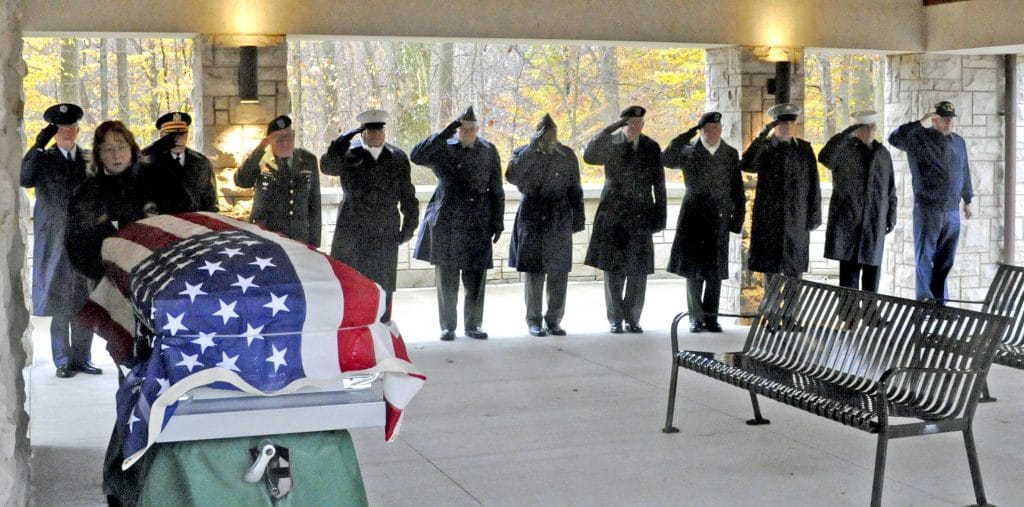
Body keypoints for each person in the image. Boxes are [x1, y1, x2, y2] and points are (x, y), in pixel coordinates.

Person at [411, 106, 504, 341]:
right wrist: (443, 134)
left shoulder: (488, 150)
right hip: (448, 218)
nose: (468, 132)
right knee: (447, 278)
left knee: (476, 277)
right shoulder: (442, 147)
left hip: (477, 218)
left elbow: (496, 187)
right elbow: (416, 156)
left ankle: (473, 325)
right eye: (463, 129)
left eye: (472, 129)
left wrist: (498, 220)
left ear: (478, 129)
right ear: (457, 129)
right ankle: (448, 326)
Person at [21, 103, 99, 378]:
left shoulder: (90, 159)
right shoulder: (43, 158)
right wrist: (37, 146)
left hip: (84, 240)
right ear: (54, 133)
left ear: (77, 130)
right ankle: (63, 360)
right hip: (54, 240)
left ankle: (83, 358)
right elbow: (24, 178)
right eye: (61, 128)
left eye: (70, 128)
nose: (66, 132)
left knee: (83, 301)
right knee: (59, 302)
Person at [321, 109, 419, 322]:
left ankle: (382, 324)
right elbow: (327, 167)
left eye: (378, 131)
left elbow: (407, 193)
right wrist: (343, 140)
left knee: (383, 280)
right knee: (353, 278)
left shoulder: (397, 156)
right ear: (362, 133)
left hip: (384, 226)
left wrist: (410, 225)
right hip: (352, 226)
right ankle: (354, 323)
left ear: (384, 133)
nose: (374, 136)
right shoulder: (348, 154)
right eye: (369, 132)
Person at [583, 105, 666, 334]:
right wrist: (608, 130)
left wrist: (660, 216)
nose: (635, 127)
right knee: (614, 268)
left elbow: (659, 183)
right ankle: (615, 318)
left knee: (638, 269)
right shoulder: (611, 142)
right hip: (614, 212)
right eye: (630, 123)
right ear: (623, 124)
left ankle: (633, 318)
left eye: (639, 124)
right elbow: (589, 156)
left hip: (640, 212)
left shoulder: (651, 146)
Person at [663, 111, 744, 333]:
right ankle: (695, 318)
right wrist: (688, 133)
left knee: (715, 271)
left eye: (717, 128)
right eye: (708, 129)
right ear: (701, 131)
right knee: (694, 270)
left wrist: (736, 221)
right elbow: (666, 159)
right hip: (694, 217)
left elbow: (737, 188)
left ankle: (711, 317)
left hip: (718, 218)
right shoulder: (689, 151)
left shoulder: (729, 153)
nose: (713, 132)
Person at [506, 114, 585, 337]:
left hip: (559, 216)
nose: (551, 137)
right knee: (534, 272)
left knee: (558, 271)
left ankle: (554, 319)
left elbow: (575, 188)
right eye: (545, 134)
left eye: (553, 133)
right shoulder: (524, 153)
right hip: (533, 215)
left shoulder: (566, 154)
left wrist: (577, 217)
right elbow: (512, 176)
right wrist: (531, 149)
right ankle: (534, 320)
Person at [888, 101, 973, 302]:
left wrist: (968, 200)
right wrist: (920, 122)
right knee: (925, 257)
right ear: (934, 119)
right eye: (944, 119)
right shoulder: (918, 138)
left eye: (951, 119)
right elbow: (894, 138)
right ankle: (925, 301)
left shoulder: (958, 142)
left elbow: (964, 171)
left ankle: (940, 302)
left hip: (952, 210)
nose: (948, 123)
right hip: (928, 209)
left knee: (946, 259)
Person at [66, 121, 159, 283]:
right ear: (99, 154)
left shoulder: (154, 184)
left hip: (151, 277)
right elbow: (76, 245)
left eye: (122, 147)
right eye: (109, 149)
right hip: (104, 281)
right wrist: (105, 275)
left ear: (132, 149)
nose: (116, 155)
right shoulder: (86, 193)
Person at [741, 103, 822, 283]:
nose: (787, 127)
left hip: (797, 219)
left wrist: (814, 216)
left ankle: (793, 311)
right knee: (771, 270)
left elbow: (813, 185)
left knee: (795, 272)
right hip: (770, 220)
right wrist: (762, 134)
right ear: (775, 126)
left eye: (790, 123)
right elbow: (746, 164)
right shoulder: (766, 148)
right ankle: (770, 311)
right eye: (782, 124)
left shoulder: (804, 149)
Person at [819, 110, 896, 293]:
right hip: (849, 222)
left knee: (872, 273)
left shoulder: (882, 153)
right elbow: (825, 158)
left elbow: (890, 188)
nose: (870, 131)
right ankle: (849, 315)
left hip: (874, 222)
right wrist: (846, 134)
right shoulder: (844, 150)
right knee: (849, 275)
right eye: (865, 128)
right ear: (857, 129)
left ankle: (871, 313)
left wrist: (891, 214)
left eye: (873, 127)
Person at [235, 115, 322, 247]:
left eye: (288, 137)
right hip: (266, 236)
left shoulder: (307, 160)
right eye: (279, 139)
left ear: (294, 135)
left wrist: (314, 244)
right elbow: (242, 181)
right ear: (270, 141)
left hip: (298, 237)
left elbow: (314, 203)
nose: (285, 143)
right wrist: (260, 148)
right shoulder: (261, 158)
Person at [141, 111, 218, 212]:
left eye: (182, 133)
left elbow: (211, 202)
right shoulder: (151, 162)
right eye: (171, 134)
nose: (178, 139)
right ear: (161, 136)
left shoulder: (201, 162)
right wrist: (154, 148)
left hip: (195, 223)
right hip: (162, 222)